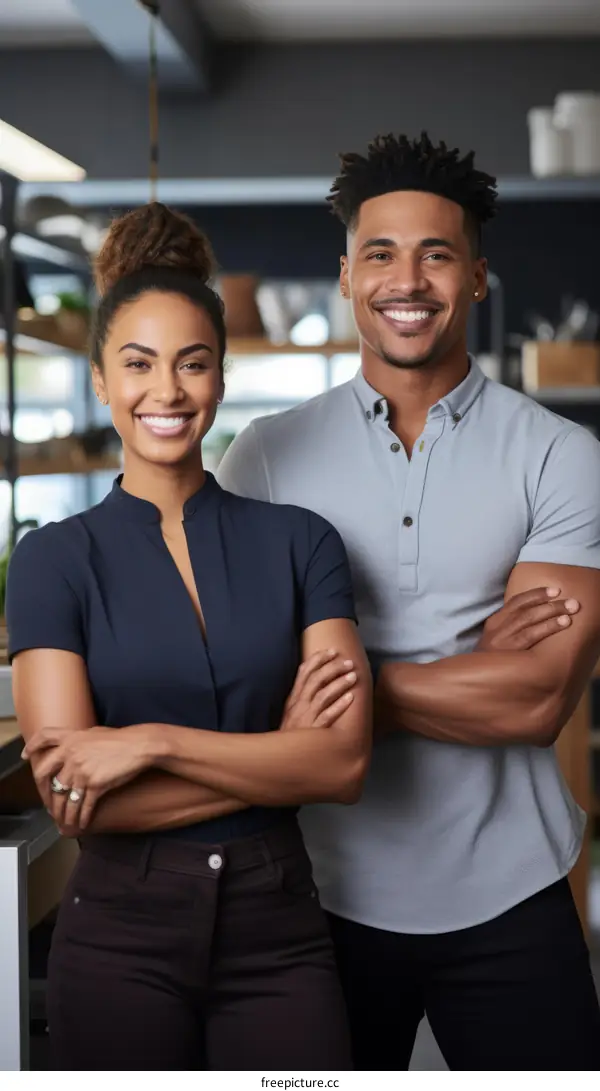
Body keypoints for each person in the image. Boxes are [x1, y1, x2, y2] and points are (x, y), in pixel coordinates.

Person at [217, 132, 600, 1071]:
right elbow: (235, 685)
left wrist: (328, 699)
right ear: (346, 275)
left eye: (437, 253)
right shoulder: (264, 457)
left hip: (514, 890)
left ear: (476, 276)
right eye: (381, 253)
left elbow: (538, 699)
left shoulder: (561, 455)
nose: (408, 279)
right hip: (313, 894)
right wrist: (470, 667)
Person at [7, 202, 372, 1072]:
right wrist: (279, 755)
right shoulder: (53, 559)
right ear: (100, 380)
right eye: (137, 364)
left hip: (281, 935)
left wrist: (148, 743)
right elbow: (72, 796)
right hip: (118, 941)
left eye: (191, 363)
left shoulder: (304, 541)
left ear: (219, 374)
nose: (165, 392)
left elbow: (345, 765)